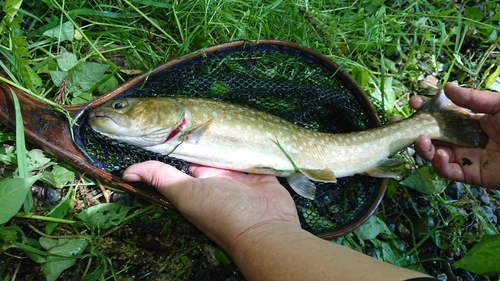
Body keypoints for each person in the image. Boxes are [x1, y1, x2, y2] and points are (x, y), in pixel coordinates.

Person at [121, 83, 499, 280]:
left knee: (347, 156)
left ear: (176, 117)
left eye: (122, 107)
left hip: (335, 155)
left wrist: (258, 231)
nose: (115, 111)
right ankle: (426, 124)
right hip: (331, 158)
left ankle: (433, 120)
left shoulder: (186, 121)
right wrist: (259, 231)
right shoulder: (179, 126)